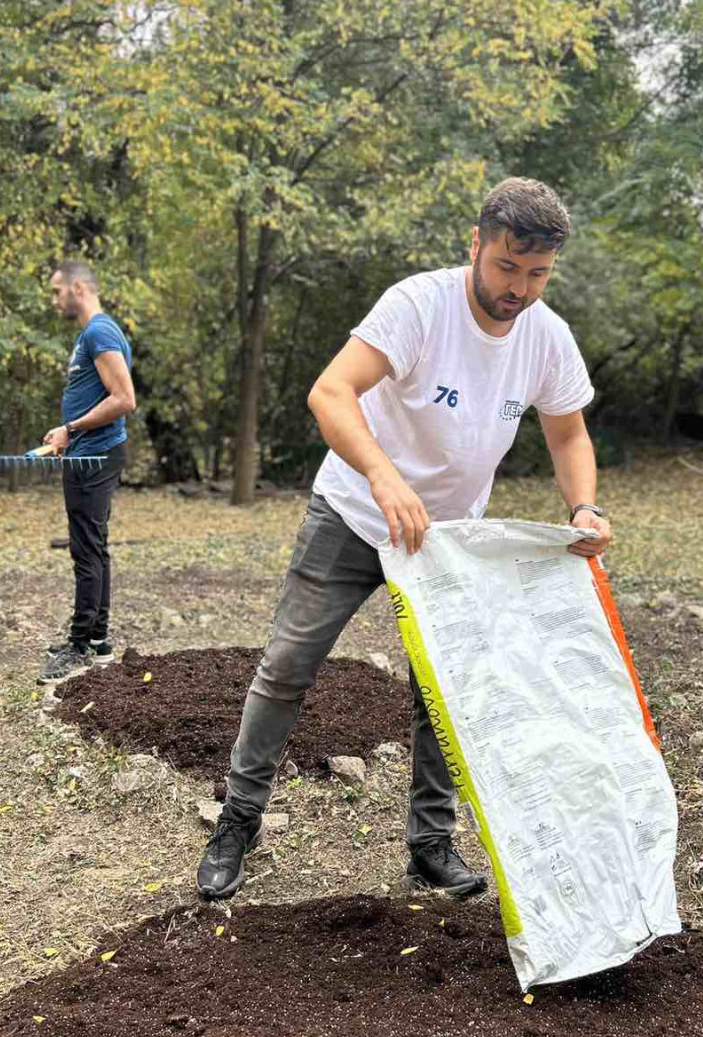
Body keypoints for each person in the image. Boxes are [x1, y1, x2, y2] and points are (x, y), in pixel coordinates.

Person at [197, 178, 614, 902]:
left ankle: (429, 845)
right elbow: (330, 392)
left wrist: (583, 507)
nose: (518, 289)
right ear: (476, 246)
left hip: (446, 541)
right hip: (355, 514)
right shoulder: (418, 304)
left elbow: (568, 431)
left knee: (443, 692)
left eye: (536, 274)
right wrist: (385, 478)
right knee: (288, 666)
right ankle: (237, 821)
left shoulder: (546, 337)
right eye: (506, 268)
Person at [37, 260, 135, 685]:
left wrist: (70, 429)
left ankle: (79, 648)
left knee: (86, 550)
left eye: (58, 291)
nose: (55, 300)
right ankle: (96, 640)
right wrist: (65, 438)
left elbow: (124, 398)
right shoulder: (94, 334)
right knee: (93, 547)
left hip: (95, 454)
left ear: (78, 288)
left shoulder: (99, 332)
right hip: (85, 453)